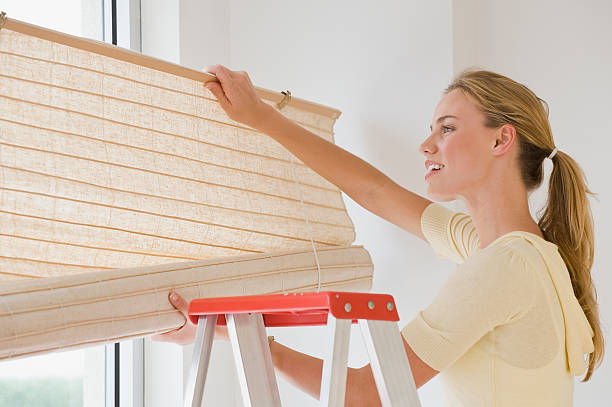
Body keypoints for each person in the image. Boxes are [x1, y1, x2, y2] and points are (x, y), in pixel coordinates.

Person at [153, 66, 603, 406]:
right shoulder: (527, 254)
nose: (426, 145)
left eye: (447, 128)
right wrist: (265, 120)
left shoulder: (503, 267)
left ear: (501, 140)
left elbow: (368, 392)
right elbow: (376, 192)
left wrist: (250, 339)